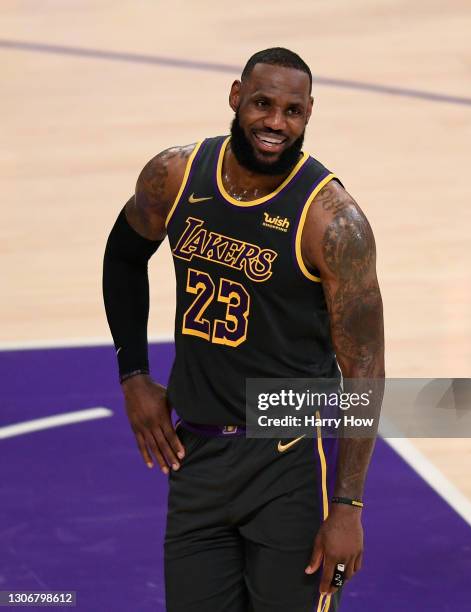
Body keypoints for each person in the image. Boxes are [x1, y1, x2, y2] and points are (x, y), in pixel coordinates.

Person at [103, 47, 384, 612]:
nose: (275, 123)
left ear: (309, 115)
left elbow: (364, 368)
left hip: (287, 456)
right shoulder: (176, 176)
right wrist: (134, 373)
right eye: (262, 104)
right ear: (236, 97)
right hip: (197, 450)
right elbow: (124, 256)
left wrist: (347, 507)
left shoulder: (332, 221)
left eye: (292, 111)